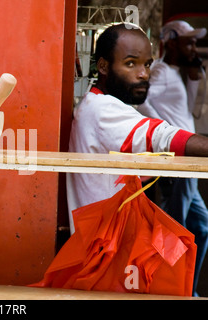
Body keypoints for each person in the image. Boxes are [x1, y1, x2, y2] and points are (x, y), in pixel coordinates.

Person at [65, 23, 208, 295]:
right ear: (104, 67)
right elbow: (164, 136)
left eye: (147, 64)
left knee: (184, 245)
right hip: (108, 257)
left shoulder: (101, 104)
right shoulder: (103, 109)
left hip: (116, 245)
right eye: (131, 64)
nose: (143, 74)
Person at [136, 20, 208, 296]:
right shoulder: (161, 71)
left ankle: (185, 288)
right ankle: (169, 288)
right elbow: (142, 101)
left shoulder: (179, 72)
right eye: (187, 41)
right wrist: (165, 131)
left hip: (188, 162)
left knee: (200, 227)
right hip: (177, 160)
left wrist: (194, 76)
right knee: (174, 228)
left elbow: (192, 111)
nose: (194, 47)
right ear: (171, 42)